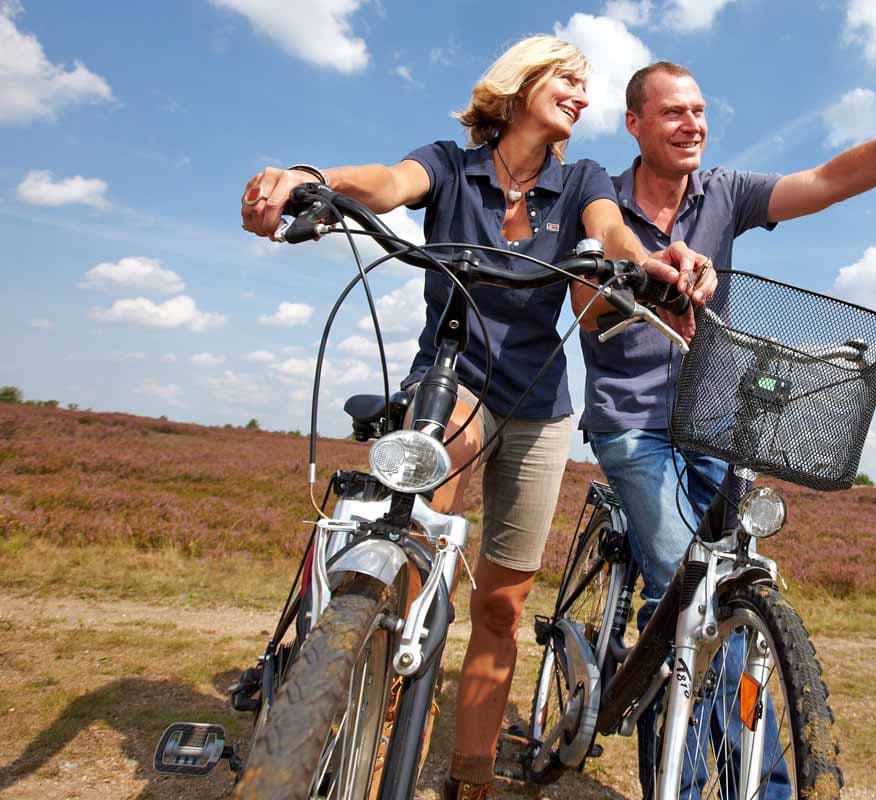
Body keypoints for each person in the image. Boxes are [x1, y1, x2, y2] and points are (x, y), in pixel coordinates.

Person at [240, 36, 708, 800]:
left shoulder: (582, 179)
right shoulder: (450, 166)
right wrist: (312, 179)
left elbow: (611, 230)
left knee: (500, 605)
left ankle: (469, 779)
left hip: (540, 406)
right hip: (454, 380)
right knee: (416, 554)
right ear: (520, 85)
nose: (581, 97)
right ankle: (360, 716)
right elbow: (390, 184)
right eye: (568, 79)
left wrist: (639, 261)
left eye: (585, 87)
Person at [573, 54, 876, 798]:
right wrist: (646, 278)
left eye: (700, 110)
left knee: (725, 594)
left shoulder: (726, 193)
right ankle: (692, 785)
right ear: (635, 123)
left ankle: (764, 784)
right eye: (674, 112)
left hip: (714, 420)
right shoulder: (600, 196)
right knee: (683, 595)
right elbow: (591, 291)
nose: (694, 124)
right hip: (632, 420)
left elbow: (829, 180)